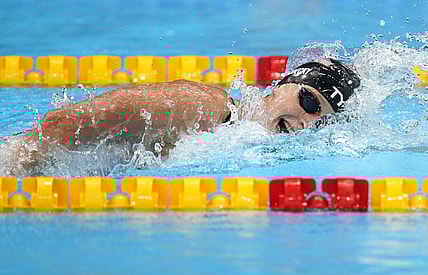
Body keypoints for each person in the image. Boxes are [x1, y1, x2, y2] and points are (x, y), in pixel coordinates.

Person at [7, 57, 360, 174]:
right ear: (279, 86)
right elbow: (66, 123)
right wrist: (18, 163)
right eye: (310, 103)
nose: (307, 121)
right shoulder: (204, 106)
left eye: (322, 120)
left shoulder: (242, 143)